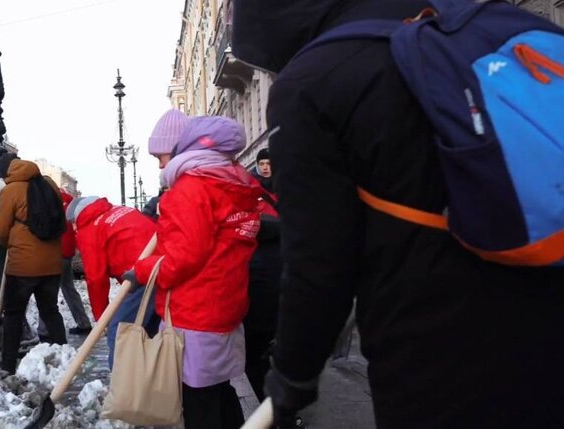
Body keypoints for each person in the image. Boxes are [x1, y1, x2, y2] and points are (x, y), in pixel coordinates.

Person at [232, 1, 564, 427]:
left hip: (443, 353)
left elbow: (318, 264)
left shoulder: (312, 81)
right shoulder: (490, 23)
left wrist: (291, 377)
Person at [130, 116, 262, 428]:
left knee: (197, 401)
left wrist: (142, 270)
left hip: (194, 314)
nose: (160, 165)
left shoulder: (192, 189)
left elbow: (183, 258)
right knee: (219, 390)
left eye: (161, 155)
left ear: (180, 148)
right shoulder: (233, 183)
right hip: (225, 306)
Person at [65, 195, 158, 369]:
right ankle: (149, 376)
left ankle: (120, 380)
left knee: (118, 330)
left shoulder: (90, 229)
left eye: (73, 222)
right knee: (150, 329)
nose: (74, 228)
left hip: (145, 275)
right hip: (162, 267)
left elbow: (96, 280)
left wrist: (103, 320)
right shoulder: (120, 211)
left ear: (79, 216)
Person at [0, 159, 68, 374]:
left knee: (14, 314)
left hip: (23, 266)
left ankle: (8, 365)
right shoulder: (49, 185)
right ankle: (64, 358)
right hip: (52, 264)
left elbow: (1, 228)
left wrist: (10, 243)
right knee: (50, 311)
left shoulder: (11, 190)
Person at [244, 148, 283, 402]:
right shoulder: (251, 191)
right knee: (258, 345)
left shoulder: (286, 187)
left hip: (284, 268)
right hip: (259, 271)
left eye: (269, 162)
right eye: (262, 163)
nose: (266, 167)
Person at [37, 187, 93, 339]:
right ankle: (83, 322)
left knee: (48, 291)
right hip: (67, 253)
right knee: (68, 289)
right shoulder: (70, 205)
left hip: (55, 253)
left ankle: (44, 330)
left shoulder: (48, 204)